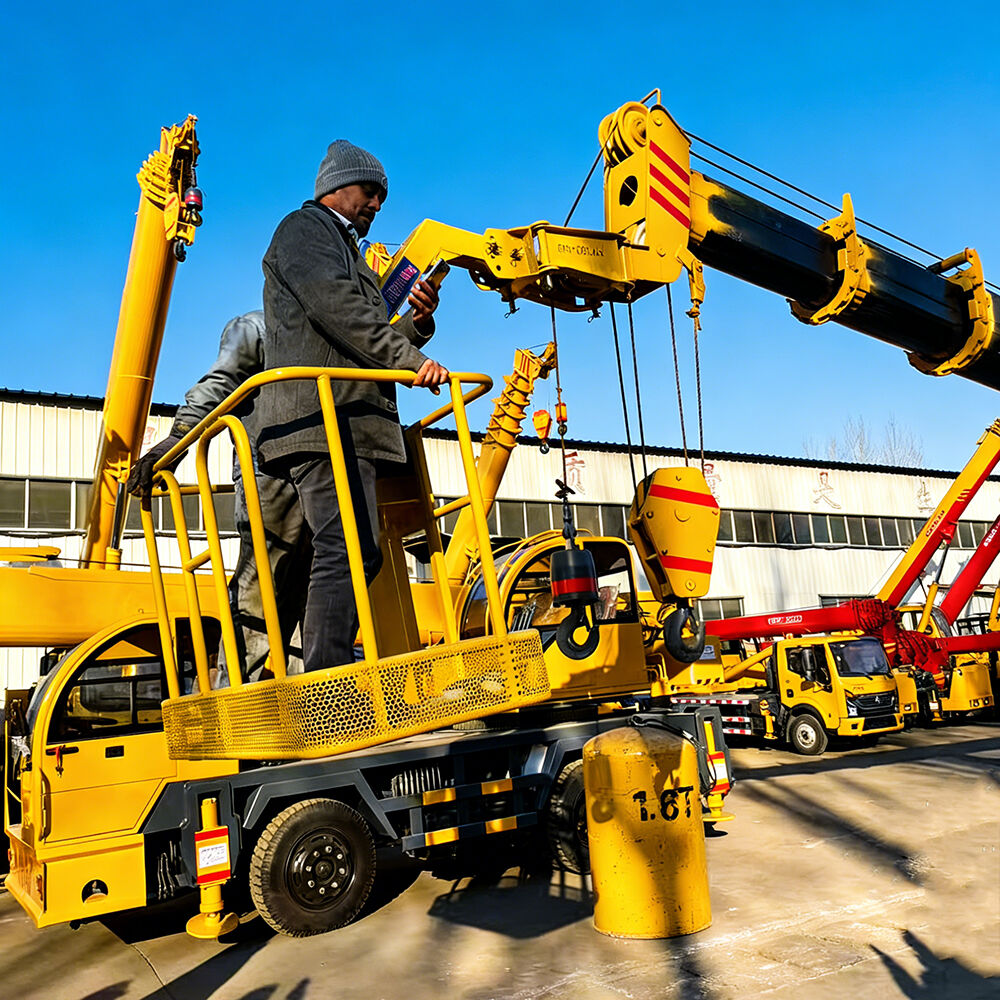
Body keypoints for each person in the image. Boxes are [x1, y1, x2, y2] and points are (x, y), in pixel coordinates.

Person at [255, 139, 448, 673]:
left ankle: (321, 674)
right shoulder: (305, 230)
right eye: (370, 191)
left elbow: (361, 339)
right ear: (336, 186)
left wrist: (418, 325)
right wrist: (410, 360)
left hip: (340, 420)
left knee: (348, 552)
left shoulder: (349, 252)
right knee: (346, 548)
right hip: (322, 423)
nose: (377, 204)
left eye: (382, 196)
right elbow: (342, 315)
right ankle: (326, 684)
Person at [127, 311, 310, 681]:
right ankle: (235, 693)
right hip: (271, 468)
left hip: (327, 468)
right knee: (261, 585)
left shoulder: (327, 325)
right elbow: (222, 380)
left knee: (315, 586)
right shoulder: (257, 326)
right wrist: (178, 436)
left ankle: (302, 692)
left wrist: (416, 326)